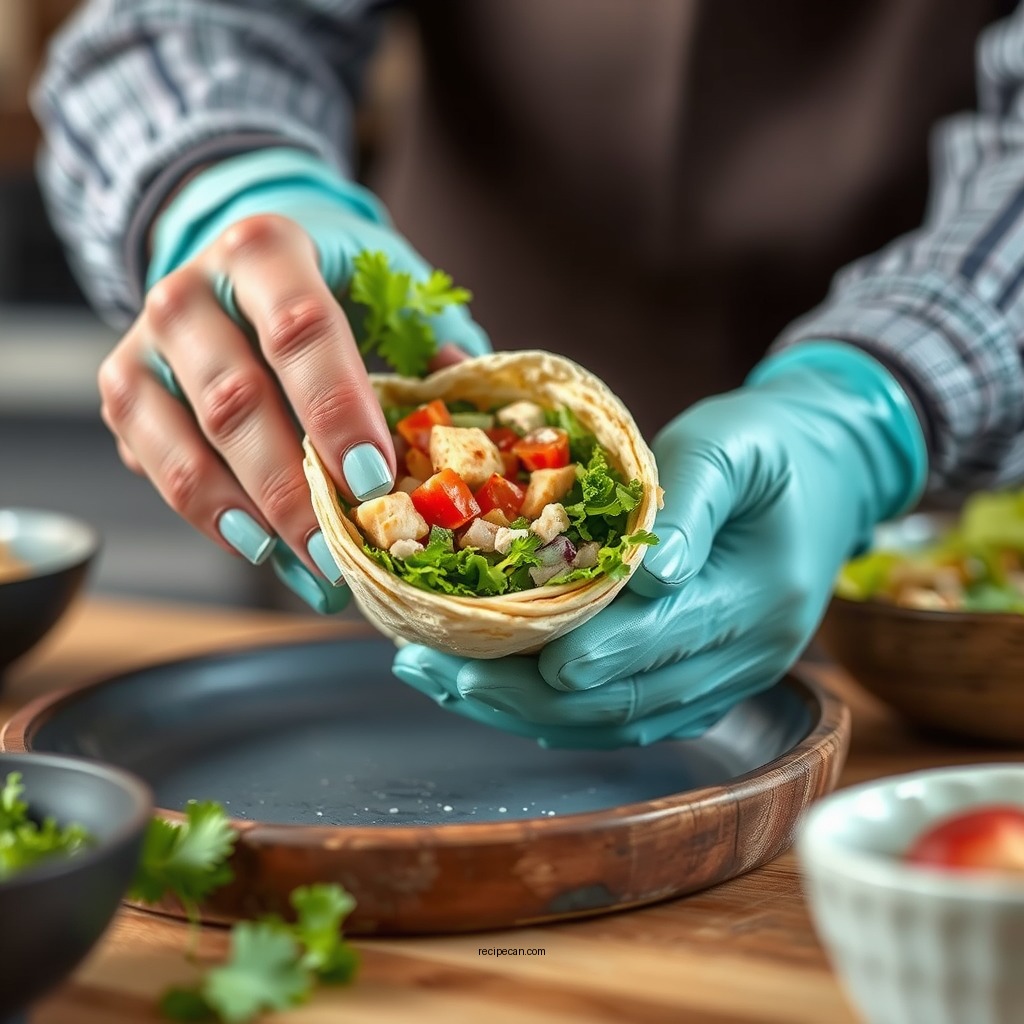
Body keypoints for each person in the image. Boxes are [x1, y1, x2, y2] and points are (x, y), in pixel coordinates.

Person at [32, 1, 1024, 748]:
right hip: (338, 613)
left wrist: (875, 405)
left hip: (919, 656)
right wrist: (224, 184)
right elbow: (183, 21)